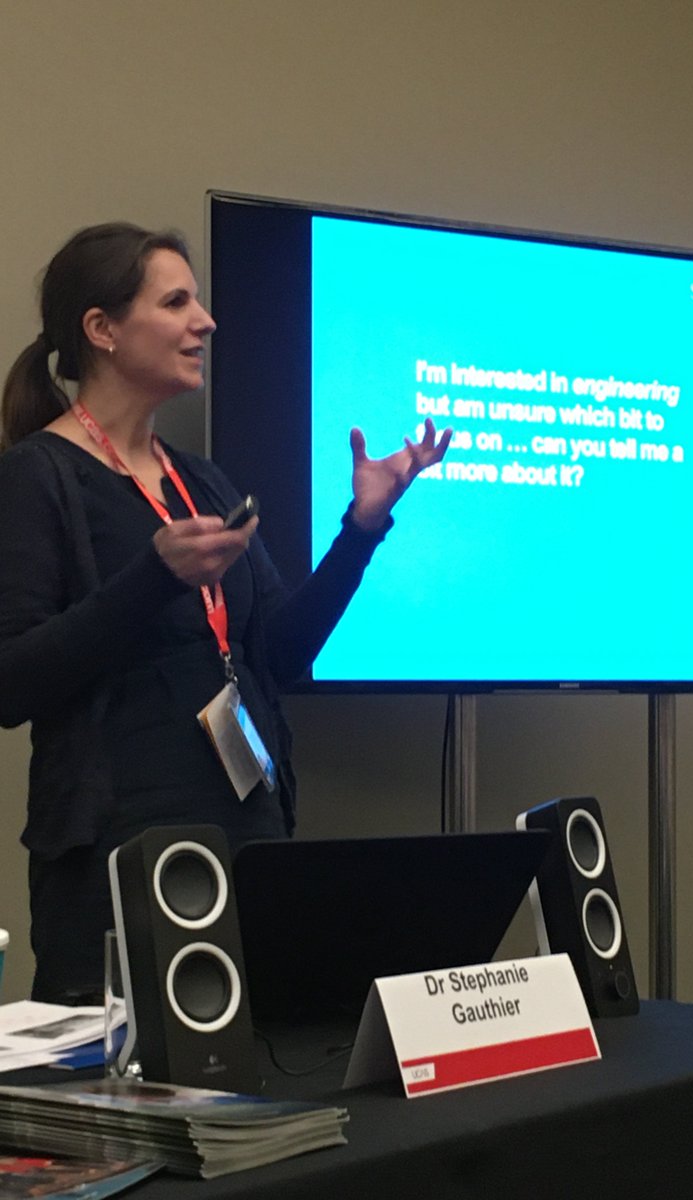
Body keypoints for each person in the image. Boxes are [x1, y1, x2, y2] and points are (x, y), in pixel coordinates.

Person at [0, 222, 450, 1004]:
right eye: (177, 303)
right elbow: (12, 683)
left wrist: (361, 528)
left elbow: (279, 656)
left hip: (247, 845)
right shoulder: (38, 475)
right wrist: (154, 577)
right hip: (119, 868)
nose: (205, 322)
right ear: (102, 329)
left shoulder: (201, 481)